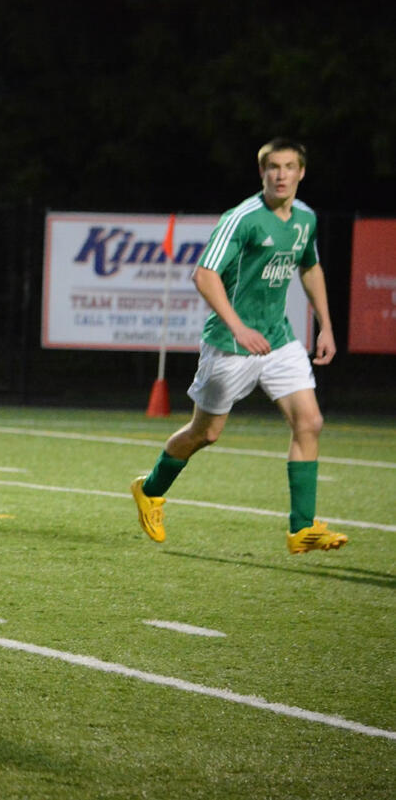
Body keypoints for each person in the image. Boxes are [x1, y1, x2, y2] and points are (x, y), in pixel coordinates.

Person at [131, 138, 346, 555]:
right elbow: (204, 275)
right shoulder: (243, 218)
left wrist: (326, 325)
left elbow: (310, 266)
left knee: (310, 422)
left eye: (289, 167)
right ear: (261, 173)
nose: (281, 175)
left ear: (302, 172)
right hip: (231, 344)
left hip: (278, 339)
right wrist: (239, 326)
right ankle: (150, 489)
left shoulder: (305, 218)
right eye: (273, 168)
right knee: (206, 433)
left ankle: (302, 528)